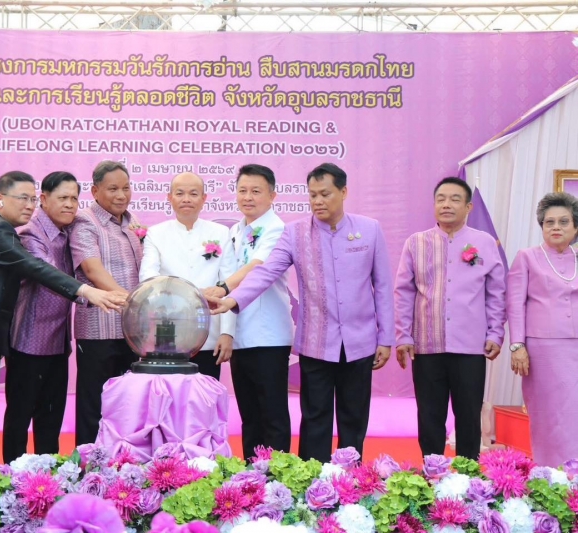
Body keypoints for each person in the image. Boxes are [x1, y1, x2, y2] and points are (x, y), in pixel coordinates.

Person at [210, 162, 393, 463]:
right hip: (316, 342)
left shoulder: (369, 229)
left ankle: (350, 477)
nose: (318, 201)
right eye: (312, 195)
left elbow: (383, 286)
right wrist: (233, 300)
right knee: (315, 418)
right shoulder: (295, 233)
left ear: (343, 192)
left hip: (359, 341)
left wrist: (386, 338)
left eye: (325, 194)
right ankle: (312, 479)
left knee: (353, 417)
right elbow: (266, 271)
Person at [0, 171, 125, 462]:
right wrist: (87, 291)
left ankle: (20, 477)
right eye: (23, 199)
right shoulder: (3, 232)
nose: (29, 206)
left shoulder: (6, 228)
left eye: (31, 199)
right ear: (0, 200)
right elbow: (38, 268)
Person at [394, 177, 505, 460]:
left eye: (455, 199)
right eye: (441, 199)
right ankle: (432, 472)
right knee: (429, 414)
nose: (446, 204)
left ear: (468, 206)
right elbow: (403, 292)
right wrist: (403, 335)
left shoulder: (484, 243)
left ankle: (468, 475)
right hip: (427, 344)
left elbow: (496, 292)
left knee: (468, 414)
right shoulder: (416, 243)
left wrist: (495, 333)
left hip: (470, 346)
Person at [202, 164, 292, 460]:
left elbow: (257, 267)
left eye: (256, 191)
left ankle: (279, 475)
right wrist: (226, 329)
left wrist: (223, 288)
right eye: (242, 190)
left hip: (268, 335)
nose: (248, 197)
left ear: (272, 195)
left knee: (272, 414)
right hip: (241, 335)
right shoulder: (236, 231)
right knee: (250, 415)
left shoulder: (278, 229)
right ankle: (252, 476)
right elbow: (227, 271)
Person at [2, 171, 81, 463]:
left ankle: (47, 478)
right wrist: (90, 293)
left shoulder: (69, 231)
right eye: (63, 198)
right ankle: (13, 475)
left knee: (51, 417)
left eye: (74, 198)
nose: (70, 204)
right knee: (20, 416)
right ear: (44, 200)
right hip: (29, 341)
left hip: (58, 342)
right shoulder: (31, 233)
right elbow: (47, 273)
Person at [68, 160, 143, 446]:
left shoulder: (132, 224)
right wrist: (133, 302)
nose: (121, 195)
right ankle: (89, 462)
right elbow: (92, 270)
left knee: (127, 404)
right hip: (98, 329)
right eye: (113, 189)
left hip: (130, 332)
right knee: (93, 403)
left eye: (126, 188)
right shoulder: (85, 221)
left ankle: (125, 462)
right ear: (95, 190)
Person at [139, 172, 236, 379]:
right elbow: (148, 278)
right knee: (167, 392)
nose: (186, 199)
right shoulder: (156, 233)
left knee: (206, 392)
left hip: (208, 331)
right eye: (180, 193)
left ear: (204, 198)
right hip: (166, 331)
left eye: (193, 194)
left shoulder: (221, 233)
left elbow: (228, 285)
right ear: (169, 197)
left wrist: (227, 332)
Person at [507, 192, 578, 466]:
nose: (556, 227)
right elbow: (515, 304)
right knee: (550, 414)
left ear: (575, 227)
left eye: (563, 221)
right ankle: (550, 473)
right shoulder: (527, 257)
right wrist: (517, 345)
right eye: (550, 222)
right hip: (543, 350)